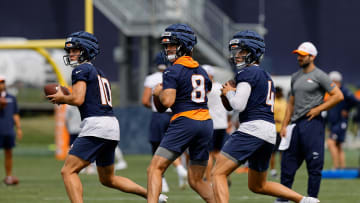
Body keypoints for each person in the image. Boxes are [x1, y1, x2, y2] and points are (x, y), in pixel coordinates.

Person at [47, 31, 167, 203]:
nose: (71, 54)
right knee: (108, 179)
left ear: (86, 50)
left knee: (68, 171)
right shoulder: (99, 72)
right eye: (70, 51)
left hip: (96, 125)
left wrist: (62, 98)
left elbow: (78, 98)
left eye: (75, 50)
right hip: (110, 124)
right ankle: (153, 196)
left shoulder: (81, 69)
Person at [211, 30, 320, 203]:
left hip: (252, 128)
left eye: (242, 51)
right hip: (268, 132)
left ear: (253, 52)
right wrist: (228, 95)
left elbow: (238, 105)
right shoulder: (264, 75)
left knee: (217, 173)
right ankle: (304, 200)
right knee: (258, 186)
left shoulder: (246, 73)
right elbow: (236, 104)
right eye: (236, 52)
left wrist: (229, 92)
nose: (237, 55)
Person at [147, 23, 215, 203]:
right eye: (166, 45)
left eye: (171, 44)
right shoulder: (201, 70)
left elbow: (167, 102)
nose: (167, 49)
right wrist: (158, 97)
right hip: (206, 122)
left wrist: (157, 92)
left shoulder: (172, 70)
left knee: (155, 168)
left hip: (185, 121)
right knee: (196, 180)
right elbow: (202, 91)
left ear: (184, 45)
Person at [276, 42, 344, 202]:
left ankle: (312, 199)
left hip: (313, 123)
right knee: (287, 163)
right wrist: (285, 124)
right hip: (295, 125)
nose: (299, 58)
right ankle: (283, 199)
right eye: (298, 55)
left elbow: (338, 95)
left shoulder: (320, 75)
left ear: (312, 57)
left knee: (314, 164)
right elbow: (291, 102)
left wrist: (319, 109)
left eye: (302, 55)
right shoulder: (295, 76)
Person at [142, 52, 188, 192]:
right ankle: (180, 168)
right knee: (172, 147)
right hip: (175, 114)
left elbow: (145, 101)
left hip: (159, 116)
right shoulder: (176, 74)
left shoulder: (151, 78)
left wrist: (155, 105)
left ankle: (163, 181)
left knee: (157, 149)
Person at [326, 71, 359, 169]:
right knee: (338, 145)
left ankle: (336, 167)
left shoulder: (344, 91)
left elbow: (356, 101)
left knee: (330, 142)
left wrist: (347, 109)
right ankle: (342, 167)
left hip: (340, 122)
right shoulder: (331, 92)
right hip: (334, 123)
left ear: (336, 81)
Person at [202, 64, 230, 182]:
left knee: (208, 154)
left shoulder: (205, 90)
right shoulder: (220, 87)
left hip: (210, 124)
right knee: (218, 153)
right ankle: (223, 175)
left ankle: (209, 180)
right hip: (222, 124)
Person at [0, 75, 23, 185]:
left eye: (2, 82)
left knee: (9, 153)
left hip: (8, 130)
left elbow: (15, 114)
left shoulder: (11, 98)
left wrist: (18, 128)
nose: (1, 84)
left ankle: (8, 176)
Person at [270, 86, 287, 178]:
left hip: (283, 130)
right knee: (273, 152)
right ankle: (273, 171)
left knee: (282, 152)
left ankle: (282, 170)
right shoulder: (272, 102)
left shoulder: (284, 102)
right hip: (274, 130)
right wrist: (276, 120)